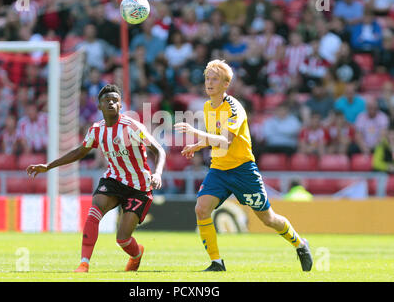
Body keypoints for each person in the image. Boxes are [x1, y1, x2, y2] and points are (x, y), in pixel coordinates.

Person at [174, 60, 313, 272]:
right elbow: (214, 137)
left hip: (243, 171)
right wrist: (198, 144)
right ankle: (217, 263)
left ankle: (300, 245)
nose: (209, 83)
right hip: (219, 169)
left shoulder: (234, 108)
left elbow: (226, 140)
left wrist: (196, 133)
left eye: (215, 79)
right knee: (201, 209)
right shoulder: (207, 106)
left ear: (225, 84)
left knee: (268, 219)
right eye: (207, 79)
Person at [26, 84, 166, 273]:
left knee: (122, 239)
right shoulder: (96, 130)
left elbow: (159, 150)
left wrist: (157, 173)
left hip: (139, 187)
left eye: (115, 100)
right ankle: (84, 263)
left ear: (120, 105)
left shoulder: (132, 127)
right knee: (95, 210)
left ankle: (136, 254)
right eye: (106, 100)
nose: (111, 103)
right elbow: (79, 152)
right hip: (114, 180)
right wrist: (49, 166)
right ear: (99, 106)